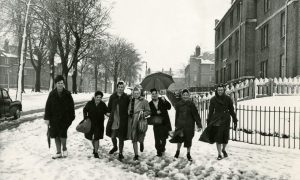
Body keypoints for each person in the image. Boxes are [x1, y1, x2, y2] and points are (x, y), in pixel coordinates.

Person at [200, 84, 238, 160]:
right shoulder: (213, 99)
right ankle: (219, 154)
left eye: (221, 90)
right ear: (216, 91)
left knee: (225, 137)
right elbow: (210, 111)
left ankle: (223, 149)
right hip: (217, 119)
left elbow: (231, 110)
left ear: (223, 90)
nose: (220, 91)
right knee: (218, 137)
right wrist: (209, 120)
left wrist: (234, 119)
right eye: (218, 90)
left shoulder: (228, 99)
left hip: (226, 119)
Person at [44, 75, 75, 159]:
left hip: (65, 119)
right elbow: (48, 106)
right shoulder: (52, 94)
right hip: (54, 119)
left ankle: (64, 148)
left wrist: (71, 118)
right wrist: (47, 118)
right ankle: (58, 152)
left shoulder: (67, 94)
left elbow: (72, 107)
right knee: (56, 135)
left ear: (63, 84)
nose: (60, 84)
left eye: (61, 83)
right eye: (58, 83)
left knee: (63, 135)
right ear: (56, 84)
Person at [171, 89, 202, 161]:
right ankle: (177, 151)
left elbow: (196, 115)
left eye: (186, 95)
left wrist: (199, 124)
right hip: (180, 125)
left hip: (189, 125)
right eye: (184, 95)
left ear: (188, 95)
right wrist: (176, 125)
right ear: (182, 95)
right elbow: (177, 115)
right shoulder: (178, 104)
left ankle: (188, 154)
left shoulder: (191, 104)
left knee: (189, 139)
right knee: (179, 139)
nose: (185, 96)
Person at [106, 81, 130, 161]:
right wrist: (108, 113)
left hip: (123, 120)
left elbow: (130, 106)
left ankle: (120, 153)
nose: (120, 88)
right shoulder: (113, 96)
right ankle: (115, 147)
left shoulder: (126, 97)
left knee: (121, 137)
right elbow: (109, 107)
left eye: (122, 87)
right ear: (117, 88)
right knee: (112, 136)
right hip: (114, 119)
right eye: (119, 87)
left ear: (124, 88)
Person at [83, 91, 110, 158]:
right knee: (92, 138)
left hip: (99, 124)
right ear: (94, 97)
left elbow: (106, 111)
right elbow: (85, 110)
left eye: (100, 97)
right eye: (97, 97)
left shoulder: (102, 104)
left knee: (97, 138)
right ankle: (94, 148)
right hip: (91, 123)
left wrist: (109, 114)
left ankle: (96, 152)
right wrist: (85, 117)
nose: (98, 99)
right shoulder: (90, 103)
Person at [127, 87, 150, 161]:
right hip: (132, 121)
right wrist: (128, 112)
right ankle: (136, 154)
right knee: (134, 138)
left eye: (137, 93)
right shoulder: (131, 100)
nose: (136, 95)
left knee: (141, 135)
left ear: (140, 93)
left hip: (140, 121)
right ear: (133, 93)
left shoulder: (144, 101)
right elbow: (128, 109)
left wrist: (143, 113)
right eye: (134, 93)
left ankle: (141, 142)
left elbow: (148, 111)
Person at [148, 88, 172, 157]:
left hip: (164, 122)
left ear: (157, 94)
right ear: (151, 95)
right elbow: (150, 113)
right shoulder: (149, 104)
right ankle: (158, 151)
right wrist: (156, 112)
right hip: (156, 123)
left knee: (163, 137)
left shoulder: (162, 99)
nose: (154, 95)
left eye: (155, 93)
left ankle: (162, 149)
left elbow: (169, 107)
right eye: (153, 94)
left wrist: (165, 101)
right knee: (157, 138)